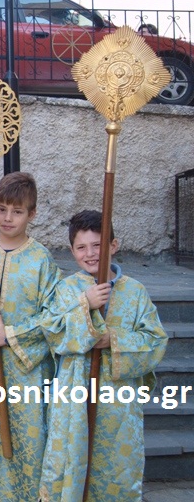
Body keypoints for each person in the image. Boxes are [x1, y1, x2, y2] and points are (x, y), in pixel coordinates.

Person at [39, 210, 168, 502]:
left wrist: (114, 340)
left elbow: (155, 341)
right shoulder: (67, 289)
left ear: (114, 245)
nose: (90, 254)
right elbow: (52, 331)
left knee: (116, 468)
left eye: (97, 245)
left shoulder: (135, 292)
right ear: (72, 251)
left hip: (117, 400)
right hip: (75, 395)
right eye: (81, 247)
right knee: (71, 461)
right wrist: (84, 304)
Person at [0, 172, 62, 501]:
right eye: (1, 209)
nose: (7, 218)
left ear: (32, 214)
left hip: (24, 371)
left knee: (23, 439)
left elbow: (53, 318)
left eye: (17, 212)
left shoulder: (41, 260)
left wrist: (12, 334)